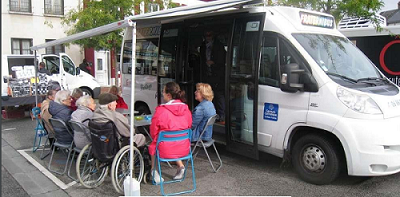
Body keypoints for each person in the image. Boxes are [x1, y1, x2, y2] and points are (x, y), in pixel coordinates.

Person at [149, 82, 192, 183]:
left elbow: (153, 130)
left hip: (165, 150)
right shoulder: (186, 109)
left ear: (168, 95)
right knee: (173, 140)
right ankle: (181, 166)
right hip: (184, 148)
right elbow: (189, 125)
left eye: (163, 92)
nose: (162, 94)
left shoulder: (161, 110)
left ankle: (154, 171)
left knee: (154, 144)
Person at [200, 30, 226, 123]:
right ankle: (210, 115)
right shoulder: (203, 46)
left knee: (219, 95)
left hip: (218, 75)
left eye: (209, 35)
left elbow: (222, 60)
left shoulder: (219, 46)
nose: (208, 37)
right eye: (206, 35)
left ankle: (222, 115)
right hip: (207, 75)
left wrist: (213, 63)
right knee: (208, 96)